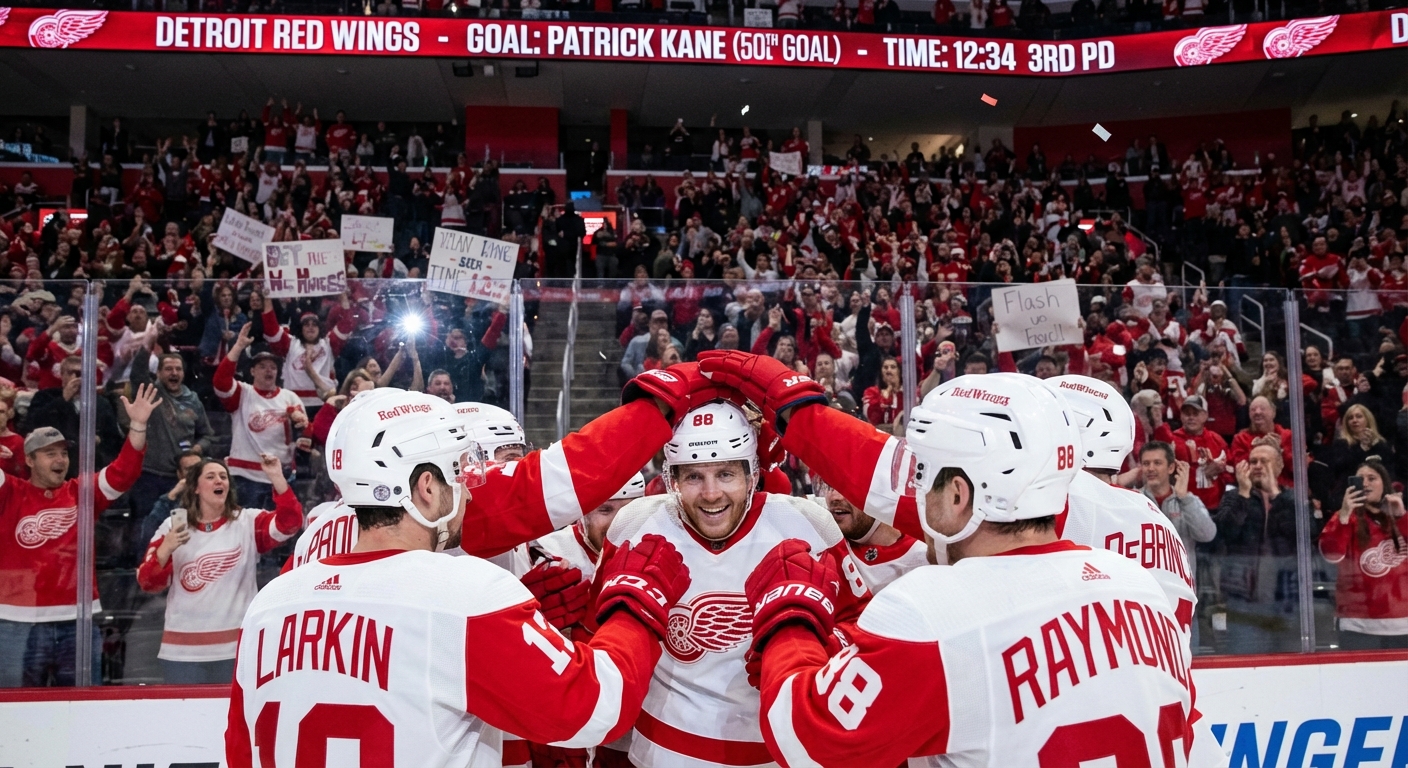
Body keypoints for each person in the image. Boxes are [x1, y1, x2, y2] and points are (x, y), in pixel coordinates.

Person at [734, 372, 1193, 767]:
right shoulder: (1138, 588)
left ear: (958, 495)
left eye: (921, 476)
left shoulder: (933, 612)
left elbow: (805, 740)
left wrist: (790, 618)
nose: (914, 492)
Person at [225, 389, 695, 767]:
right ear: (426, 488)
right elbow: (592, 709)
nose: (471, 488)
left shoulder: (272, 601)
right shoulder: (466, 593)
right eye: (460, 473)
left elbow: (239, 750)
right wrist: (637, 602)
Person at [591, 400, 870, 768]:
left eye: (725, 474)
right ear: (672, 478)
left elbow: (861, 625)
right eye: (694, 476)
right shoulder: (636, 522)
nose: (710, 494)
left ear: (752, 474)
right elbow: (598, 631)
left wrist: (824, 646)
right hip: (659, 754)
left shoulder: (807, 524)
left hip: (777, 752)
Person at [0, 384, 159, 688]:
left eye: (63, 453)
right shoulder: (10, 491)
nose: (60, 460)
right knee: (15, 711)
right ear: (30, 460)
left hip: (77, 620)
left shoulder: (81, 492)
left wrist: (137, 426)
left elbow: (123, 473)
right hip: (16, 622)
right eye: (49, 454)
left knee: (83, 708)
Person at [136, 455, 303, 683]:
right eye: (211, 476)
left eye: (223, 477)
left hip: (236, 650)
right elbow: (148, 583)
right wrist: (165, 549)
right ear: (195, 487)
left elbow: (290, 524)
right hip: (182, 653)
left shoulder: (247, 522)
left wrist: (276, 477)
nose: (219, 481)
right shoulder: (172, 527)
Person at [1213, 441, 1300, 654]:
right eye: (1253, 461)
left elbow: (1303, 534)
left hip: (1285, 600)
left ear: (1279, 466)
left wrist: (1275, 494)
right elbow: (1224, 533)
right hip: (1243, 600)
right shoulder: (1234, 496)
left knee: (1288, 670)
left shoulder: (1291, 498)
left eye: (1265, 461)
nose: (1258, 465)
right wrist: (1243, 494)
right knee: (1245, 665)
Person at [213, 322, 308, 510]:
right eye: (263, 366)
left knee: (280, 533)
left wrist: (302, 424)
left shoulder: (290, 397)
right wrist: (238, 346)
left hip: (280, 477)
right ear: (252, 371)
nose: (268, 370)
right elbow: (220, 382)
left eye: (273, 367)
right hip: (245, 478)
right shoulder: (243, 392)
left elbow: (305, 434)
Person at [1319, 459, 1408, 650]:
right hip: (1358, 625)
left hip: (1403, 624)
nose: (1365, 483)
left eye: (1372, 478)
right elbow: (1331, 555)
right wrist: (1343, 514)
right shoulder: (1346, 518)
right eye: (1360, 479)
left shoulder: (1400, 516)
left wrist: (1401, 517)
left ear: (1385, 483)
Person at [128, 348, 215, 533]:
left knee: (180, 525)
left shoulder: (193, 400)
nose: (174, 373)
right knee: (146, 523)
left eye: (178, 369)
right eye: (168, 369)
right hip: (149, 474)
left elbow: (207, 435)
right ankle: (142, 561)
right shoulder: (151, 393)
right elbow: (137, 374)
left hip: (182, 478)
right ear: (158, 373)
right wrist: (145, 344)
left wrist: (198, 448)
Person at [811, 471, 926, 592]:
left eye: (847, 486)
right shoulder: (821, 536)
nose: (835, 497)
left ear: (879, 493)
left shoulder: (923, 557)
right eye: (829, 485)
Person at [1137, 442, 1217, 587]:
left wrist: (1184, 497)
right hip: (1145, 585)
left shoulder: (1189, 500)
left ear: (1171, 467)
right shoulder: (1133, 500)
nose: (1151, 468)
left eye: (1157, 463)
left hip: (1182, 586)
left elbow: (1208, 535)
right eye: (1146, 463)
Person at [1171, 395, 1231, 513]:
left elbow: (1232, 470)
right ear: (1181, 416)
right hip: (1182, 506)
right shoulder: (1172, 440)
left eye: (1196, 413)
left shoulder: (1217, 440)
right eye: (1187, 413)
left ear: (1205, 416)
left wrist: (1221, 469)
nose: (1191, 417)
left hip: (1213, 506)